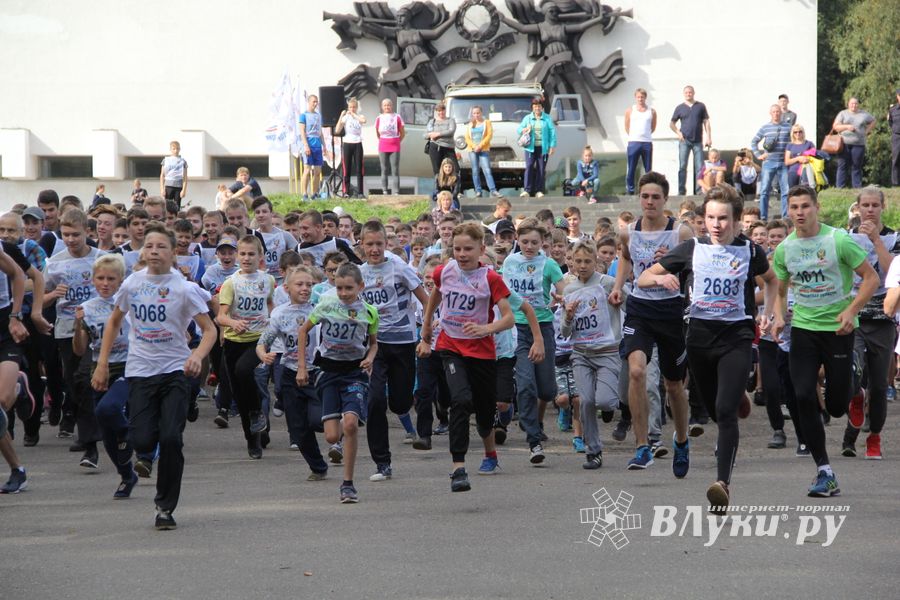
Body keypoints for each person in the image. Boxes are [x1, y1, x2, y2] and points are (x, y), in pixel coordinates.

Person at [638, 184, 777, 513]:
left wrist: (770, 314)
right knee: (716, 410)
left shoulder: (750, 251)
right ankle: (734, 395)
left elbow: (772, 281)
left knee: (726, 414)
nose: (716, 224)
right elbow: (643, 278)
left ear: (737, 219)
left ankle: (722, 484)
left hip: (736, 337)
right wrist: (661, 279)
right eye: (710, 217)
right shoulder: (691, 249)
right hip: (698, 338)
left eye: (723, 218)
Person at [92, 222, 216, 529]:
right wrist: (102, 363)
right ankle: (144, 455)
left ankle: (164, 507)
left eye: (161, 246)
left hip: (175, 369)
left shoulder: (184, 289)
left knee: (172, 438)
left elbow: (211, 329)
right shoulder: (132, 283)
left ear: (174, 252)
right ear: (142, 251)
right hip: (140, 370)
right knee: (142, 438)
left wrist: (197, 356)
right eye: (149, 246)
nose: (154, 251)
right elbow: (113, 322)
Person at [771, 185, 878, 498]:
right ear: (789, 211)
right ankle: (824, 471)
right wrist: (778, 317)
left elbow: (871, 279)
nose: (800, 213)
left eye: (805, 206)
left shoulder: (838, 240)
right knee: (803, 394)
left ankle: (855, 390)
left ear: (816, 207)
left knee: (835, 405)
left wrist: (851, 310)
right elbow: (780, 291)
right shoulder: (784, 249)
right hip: (803, 328)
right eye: (794, 207)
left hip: (838, 330)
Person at [417, 222, 515, 491]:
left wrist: (487, 328)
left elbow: (509, 317)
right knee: (460, 400)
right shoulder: (445, 270)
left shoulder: (491, 279)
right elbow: (436, 292)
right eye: (457, 248)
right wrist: (427, 324)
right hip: (450, 346)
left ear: (482, 249)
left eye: (468, 249)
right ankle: (458, 467)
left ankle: (490, 453)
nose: (461, 254)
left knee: (485, 415)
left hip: (482, 352)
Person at [609, 172, 694, 473]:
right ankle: (642, 446)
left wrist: (675, 260)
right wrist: (619, 286)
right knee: (636, 371)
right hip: (640, 309)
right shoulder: (629, 231)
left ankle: (681, 441)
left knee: (673, 385)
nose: (649, 202)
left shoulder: (680, 233)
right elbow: (625, 257)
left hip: (671, 311)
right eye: (645, 196)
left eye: (655, 197)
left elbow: (696, 264)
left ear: (665, 200)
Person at [297, 263, 379, 503]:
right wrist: (303, 367)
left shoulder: (370, 311)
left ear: (360, 286)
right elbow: (303, 332)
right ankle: (342, 424)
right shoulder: (326, 305)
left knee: (351, 424)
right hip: (328, 372)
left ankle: (348, 484)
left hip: (354, 373)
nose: (343, 293)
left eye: (349, 288)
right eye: (340, 288)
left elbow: (373, 343)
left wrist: (370, 358)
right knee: (332, 437)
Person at [358, 220, 429, 481]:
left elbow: (424, 298)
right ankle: (382, 462)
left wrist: (427, 332)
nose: (375, 249)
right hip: (375, 345)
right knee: (375, 401)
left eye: (379, 244)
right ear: (362, 245)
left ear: (387, 244)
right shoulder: (358, 273)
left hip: (403, 342)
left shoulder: (399, 267)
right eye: (369, 244)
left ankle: (403, 404)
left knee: (399, 402)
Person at [73, 254, 140, 498]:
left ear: (121, 280)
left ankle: (130, 432)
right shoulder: (87, 308)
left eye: (111, 278)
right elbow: (80, 349)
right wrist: (78, 326)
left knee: (107, 410)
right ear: (92, 280)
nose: (105, 283)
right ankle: (126, 476)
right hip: (99, 369)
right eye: (100, 278)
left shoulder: (129, 303)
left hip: (127, 366)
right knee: (106, 431)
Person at [842, 187, 899, 460]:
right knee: (852, 374)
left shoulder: (895, 238)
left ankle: (873, 437)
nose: (870, 210)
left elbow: (892, 274)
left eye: (875, 205)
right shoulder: (845, 238)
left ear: (883, 207)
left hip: (883, 319)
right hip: (853, 316)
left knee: (878, 386)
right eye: (865, 205)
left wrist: (877, 240)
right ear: (858, 207)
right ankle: (854, 405)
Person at [502, 218, 565, 464]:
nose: (529, 246)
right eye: (525, 241)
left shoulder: (548, 264)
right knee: (526, 383)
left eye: (534, 243)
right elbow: (505, 292)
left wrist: (562, 297)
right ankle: (534, 440)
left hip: (544, 326)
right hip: (518, 328)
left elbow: (564, 287)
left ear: (543, 243)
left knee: (547, 390)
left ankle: (535, 420)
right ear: (517, 240)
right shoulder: (510, 262)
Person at [257, 266, 329, 480]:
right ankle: (318, 467)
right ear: (287, 288)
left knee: (317, 420)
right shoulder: (279, 313)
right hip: (290, 373)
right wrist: (262, 354)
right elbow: (264, 341)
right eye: (300, 284)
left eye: (309, 284)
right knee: (298, 427)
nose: (305, 288)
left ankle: (340, 426)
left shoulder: (321, 309)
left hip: (317, 372)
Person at [559, 240, 626, 469]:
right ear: (572, 262)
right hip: (581, 354)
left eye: (588, 261)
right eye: (578, 261)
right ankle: (593, 451)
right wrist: (568, 315)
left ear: (597, 262)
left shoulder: (607, 283)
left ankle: (621, 399)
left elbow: (628, 304)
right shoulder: (569, 289)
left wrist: (620, 298)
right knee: (586, 401)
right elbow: (565, 332)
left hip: (608, 351)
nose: (583, 265)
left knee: (605, 402)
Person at [43, 209, 105, 449]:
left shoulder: (100, 258)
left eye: (75, 234)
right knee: (73, 382)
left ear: (87, 232)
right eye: (66, 234)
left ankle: (88, 436)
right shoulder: (56, 262)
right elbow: (41, 298)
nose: (70, 239)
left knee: (84, 376)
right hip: (66, 328)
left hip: (95, 328)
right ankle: (88, 427)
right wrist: (52, 294)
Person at [216, 235, 275, 459]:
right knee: (239, 395)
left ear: (260, 256)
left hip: (259, 339)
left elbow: (270, 303)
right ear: (238, 256)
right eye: (243, 254)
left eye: (252, 254)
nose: (247, 258)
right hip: (234, 342)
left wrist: (274, 320)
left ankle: (258, 412)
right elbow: (221, 316)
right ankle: (253, 441)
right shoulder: (231, 283)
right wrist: (233, 323)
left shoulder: (267, 280)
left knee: (244, 370)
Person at [751, 104, 792, 220]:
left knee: (785, 191)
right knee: (764, 191)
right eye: (774, 112)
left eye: (778, 111)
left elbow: (793, 142)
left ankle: (785, 217)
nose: (776, 114)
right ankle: (763, 218)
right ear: (770, 113)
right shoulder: (765, 127)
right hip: (769, 163)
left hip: (783, 162)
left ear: (781, 113)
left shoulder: (788, 127)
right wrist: (759, 155)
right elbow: (754, 142)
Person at [670, 85, 711, 196]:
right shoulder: (680, 108)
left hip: (698, 141)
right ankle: (681, 191)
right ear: (684, 94)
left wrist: (709, 137)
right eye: (687, 92)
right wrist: (678, 133)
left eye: (690, 92)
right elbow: (672, 123)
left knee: (700, 167)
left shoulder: (700, 106)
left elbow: (706, 122)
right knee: (682, 166)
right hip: (685, 141)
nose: (688, 94)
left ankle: (699, 191)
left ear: (693, 93)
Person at [251, 196, 298, 285]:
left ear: (271, 214)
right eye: (257, 212)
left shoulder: (284, 235)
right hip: (261, 281)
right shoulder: (253, 236)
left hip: (282, 281)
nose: (261, 215)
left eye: (264, 211)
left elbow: (299, 255)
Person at [832, 97, 876, 189]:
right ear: (848, 104)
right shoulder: (843, 113)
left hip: (859, 144)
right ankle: (840, 187)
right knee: (842, 165)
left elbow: (873, 121)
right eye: (852, 103)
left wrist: (867, 131)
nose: (854, 105)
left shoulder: (864, 114)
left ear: (858, 105)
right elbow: (835, 127)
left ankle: (857, 187)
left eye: (856, 103)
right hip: (844, 143)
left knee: (856, 166)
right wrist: (847, 127)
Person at [517, 97, 557, 198]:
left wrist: (552, 146)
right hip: (530, 148)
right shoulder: (527, 118)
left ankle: (539, 190)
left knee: (541, 169)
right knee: (529, 167)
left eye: (539, 106)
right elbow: (519, 129)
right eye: (535, 106)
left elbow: (552, 133)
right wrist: (525, 129)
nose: (537, 108)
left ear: (542, 107)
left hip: (543, 148)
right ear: (532, 108)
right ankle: (527, 190)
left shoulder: (547, 118)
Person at [296, 210, 360, 268]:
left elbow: (357, 265)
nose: (302, 232)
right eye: (300, 228)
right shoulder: (299, 249)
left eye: (305, 228)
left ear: (318, 227)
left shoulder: (337, 243)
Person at [624, 88, 656, 195]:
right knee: (631, 167)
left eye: (642, 97)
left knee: (648, 168)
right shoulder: (630, 110)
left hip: (646, 142)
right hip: (633, 142)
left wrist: (646, 135)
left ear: (645, 98)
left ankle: (647, 188)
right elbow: (627, 125)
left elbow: (653, 126)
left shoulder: (651, 111)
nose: (640, 99)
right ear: (635, 97)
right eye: (638, 97)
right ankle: (630, 189)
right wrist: (633, 135)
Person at [465, 105, 501, 198]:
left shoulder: (487, 122)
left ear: (481, 113)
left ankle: (493, 190)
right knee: (475, 170)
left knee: (487, 170)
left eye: (478, 113)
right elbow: (467, 138)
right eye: (474, 113)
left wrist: (480, 145)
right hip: (472, 150)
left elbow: (489, 135)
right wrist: (474, 146)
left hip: (483, 149)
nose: (476, 115)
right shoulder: (470, 124)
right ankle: (478, 191)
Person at [336, 97, 367, 198]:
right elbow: (337, 130)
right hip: (347, 143)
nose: (352, 109)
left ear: (356, 108)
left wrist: (354, 115)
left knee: (359, 169)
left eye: (354, 107)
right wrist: (341, 115)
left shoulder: (359, 116)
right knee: (347, 169)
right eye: (350, 107)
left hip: (357, 143)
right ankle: (346, 191)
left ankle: (360, 192)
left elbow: (363, 120)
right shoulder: (346, 118)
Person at [299, 95, 328, 200]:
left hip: (317, 145)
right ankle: (304, 194)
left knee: (317, 171)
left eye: (317, 102)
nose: (315, 104)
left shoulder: (318, 115)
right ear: (309, 102)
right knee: (307, 170)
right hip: (308, 143)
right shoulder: (303, 115)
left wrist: (324, 146)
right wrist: (306, 145)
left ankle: (314, 193)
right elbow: (302, 131)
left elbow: (320, 132)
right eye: (313, 102)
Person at [375, 98, 404, 195]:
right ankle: (384, 190)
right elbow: (377, 134)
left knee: (395, 169)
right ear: (382, 107)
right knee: (384, 168)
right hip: (383, 144)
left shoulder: (397, 117)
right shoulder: (379, 118)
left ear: (392, 106)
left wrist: (396, 140)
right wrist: (384, 140)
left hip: (395, 145)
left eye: (389, 105)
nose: (387, 107)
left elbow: (402, 132)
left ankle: (396, 191)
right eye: (385, 105)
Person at [425, 102, 458, 176]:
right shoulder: (432, 121)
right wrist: (430, 135)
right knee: (437, 169)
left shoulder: (450, 120)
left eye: (442, 110)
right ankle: (439, 187)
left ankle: (455, 187)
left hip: (448, 147)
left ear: (445, 110)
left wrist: (437, 134)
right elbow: (425, 134)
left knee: (456, 168)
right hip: (435, 147)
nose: (441, 112)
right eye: (439, 111)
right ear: (436, 112)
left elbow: (451, 131)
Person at [159, 141, 188, 209]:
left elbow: (185, 177)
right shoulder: (166, 160)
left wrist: (184, 190)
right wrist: (162, 189)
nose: (176, 151)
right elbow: (162, 175)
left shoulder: (183, 161)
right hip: (168, 186)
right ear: (170, 149)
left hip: (178, 186)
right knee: (167, 205)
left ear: (179, 149)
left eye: (177, 149)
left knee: (177, 206)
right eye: (174, 149)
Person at [889, 89, 900, 187]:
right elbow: (890, 123)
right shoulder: (893, 109)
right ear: (897, 96)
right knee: (896, 160)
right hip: (897, 137)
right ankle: (895, 184)